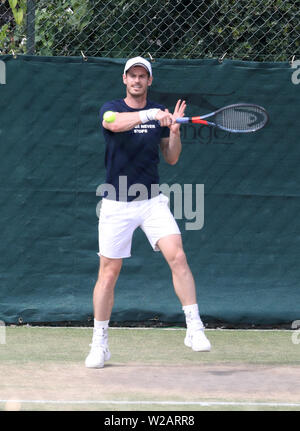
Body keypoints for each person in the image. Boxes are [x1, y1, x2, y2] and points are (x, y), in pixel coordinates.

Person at [85, 56, 211, 368]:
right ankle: (99, 343)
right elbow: (111, 124)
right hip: (116, 201)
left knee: (177, 255)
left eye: (143, 76)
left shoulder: (159, 116)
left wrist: (175, 131)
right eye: (133, 76)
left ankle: (194, 327)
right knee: (108, 273)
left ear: (149, 81)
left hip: (152, 201)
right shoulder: (112, 107)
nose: (137, 81)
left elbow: (170, 158)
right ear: (124, 80)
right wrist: (150, 115)